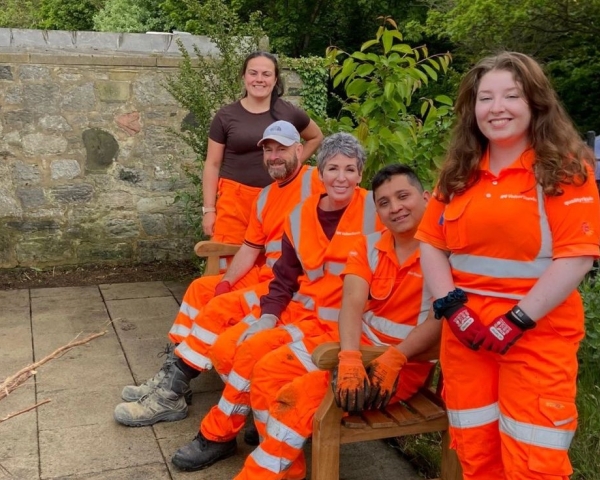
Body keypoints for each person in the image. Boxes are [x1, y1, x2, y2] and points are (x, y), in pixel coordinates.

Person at [415, 52, 600, 479]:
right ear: (471, 108)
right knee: (476, 453)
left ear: (535, 103)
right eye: (485, 98)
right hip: (468, 340)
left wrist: (516, 320)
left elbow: (577, 256)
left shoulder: (564, 170)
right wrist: (453, 310)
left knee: (535, 462)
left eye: (511, 95)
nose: (497, 108)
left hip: (537, 338)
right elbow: (432, 244)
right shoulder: (459, 172)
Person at [169, 132, 381, 473]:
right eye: (333, 168)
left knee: (256, 359)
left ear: (361, 174)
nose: (341, 177)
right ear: (320, 173)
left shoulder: (376, 209)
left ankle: (219, 436)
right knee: (243, 346)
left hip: (347, 327)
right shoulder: (300, 216)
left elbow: (419, 230)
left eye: (350, 169)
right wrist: (267, 317)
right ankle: (242, 442)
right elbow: (283, 278)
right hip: (302, 315)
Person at [234, 164, 441, 480]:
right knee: (268, 372)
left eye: (403, 196)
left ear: (425, 197)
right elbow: (351, 307)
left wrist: (395, 356)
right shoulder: (370, 246)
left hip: (400, 367)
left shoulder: (443, 252)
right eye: (383, 202)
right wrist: (348, 355)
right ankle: (288, 471)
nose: (395, 208)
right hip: (354, 352)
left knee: (299, 397)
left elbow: (442, 318)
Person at [114, 121, 323, 427]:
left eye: (282, 148)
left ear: (299, 149)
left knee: (220, 308)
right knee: (203, 289)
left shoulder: (317, 180)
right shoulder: (265, 196)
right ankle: (174, 376)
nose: (274, 156)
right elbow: (250, 249)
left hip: (293, 285)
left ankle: (169, 395)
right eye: (269, 150)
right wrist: (226, 281)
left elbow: (359, 209)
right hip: (267, 274)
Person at [203, 51, 323, 246]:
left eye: (266, 74)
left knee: (275, 261)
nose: (259, 79)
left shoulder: (288, 112)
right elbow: (212, 164)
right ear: (244, 77)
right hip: (234, 203)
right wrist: (209, 210)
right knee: (227, 263)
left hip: (279, 199)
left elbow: (316, 137)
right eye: (253, 73)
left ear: (275, 79)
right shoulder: (225, 116)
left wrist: (293, 164)